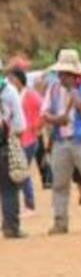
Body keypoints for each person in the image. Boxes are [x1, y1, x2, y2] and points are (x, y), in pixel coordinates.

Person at [42, 48, 81, 235]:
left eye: (65, 74)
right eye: (60, 73)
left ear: (74, 74)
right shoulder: (53, 88)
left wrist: (74, 93)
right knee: (59, 184)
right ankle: (60, 222)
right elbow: (45, 113)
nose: (60, 77)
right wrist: (56, 119)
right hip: (61, 141)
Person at [7, 67, 43, 212]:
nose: (10, 82)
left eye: (12, 79)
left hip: (28, 139)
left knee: (22, 170)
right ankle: (26, 203)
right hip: (17, 139)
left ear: (19, 79)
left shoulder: (30, 94)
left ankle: (29, 203)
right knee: (19, 170)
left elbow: (44, 109)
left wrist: (36, 127)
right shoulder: (13, 94)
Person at [0, 69, 27, 238]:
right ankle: (11, 228)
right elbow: (19, 125)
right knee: (9, 188)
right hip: (4, 145)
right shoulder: (9, 91)